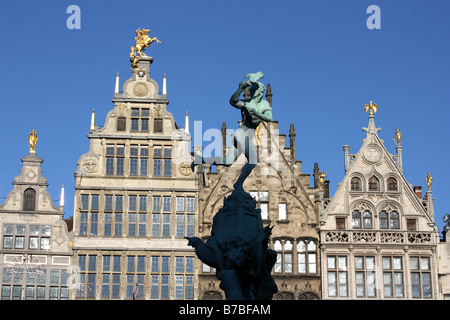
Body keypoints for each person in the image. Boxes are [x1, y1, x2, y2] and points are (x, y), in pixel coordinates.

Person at [192, 72, 273, 191]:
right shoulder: (246, 103)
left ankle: (200, 159)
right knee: (253, 161)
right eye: (258, 91)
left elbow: (269, 117)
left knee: (228, 161)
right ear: (257, 92)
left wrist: (256, 113)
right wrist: (240, 88)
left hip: (246, 135)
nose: (259, 93)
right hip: (242, 134)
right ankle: (238, 184)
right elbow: (233, 101)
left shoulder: (264, 104)